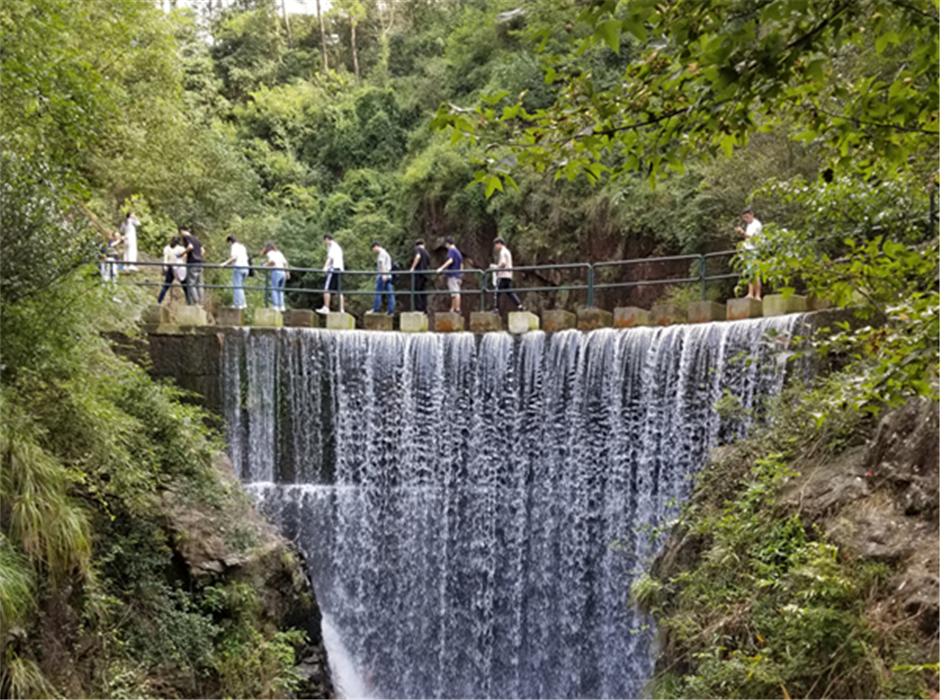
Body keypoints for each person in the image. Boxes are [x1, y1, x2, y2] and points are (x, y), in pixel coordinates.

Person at [735, 206, 763, 300]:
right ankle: (750, 293)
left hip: (755, 250)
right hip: (748, 250)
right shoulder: (749, 225)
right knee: (750, 272)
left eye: (747, 217)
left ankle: (757, 295)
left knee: (755, 273)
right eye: (744, 218)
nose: (746, 220)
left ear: (752, 214)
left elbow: (753, 238)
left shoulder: (757, 224)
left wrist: (742, 233)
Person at [491, 237, 523, 312]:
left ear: (499, 244)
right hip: (508, 275)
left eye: (496, 245)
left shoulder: (503, 252)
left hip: (503, 275)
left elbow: (503, 263)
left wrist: (496, 267)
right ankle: (519, 305)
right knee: (510, 292)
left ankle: (496, 308)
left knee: (497, 291)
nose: (495, 247)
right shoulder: (507, 251)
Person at [157, 235, 190, 305]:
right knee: (185, 287)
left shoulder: (167, 248)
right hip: (178, 269)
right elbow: (185, 257)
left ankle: (159, 301)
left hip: (170, 268)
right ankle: (189, 303)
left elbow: (165, 257)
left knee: (166, 286)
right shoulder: (181, 249)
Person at [219, 235, 249, 309]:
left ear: (230, 242)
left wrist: (224, 263)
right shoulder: (242, 247)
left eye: (228, 243)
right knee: (240, 286)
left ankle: (238, 304)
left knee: (237, 286)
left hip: (239, 268)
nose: (229, 245)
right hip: (246, 268)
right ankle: (243, 303)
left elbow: (234, 257)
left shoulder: (234, 246)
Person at [317, 234, 344, 314]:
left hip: (333, 269)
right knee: (337, 291)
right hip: (339, 269)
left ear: (327, 239)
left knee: (327, 288)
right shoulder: (337, 246)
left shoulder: (332, 245)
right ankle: (341, 309)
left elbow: (330, 257)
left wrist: (325, 267)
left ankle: (326, 307)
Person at [179, 226, 206, 305]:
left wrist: (182, 254)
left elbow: (190, 247)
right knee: (199, 283)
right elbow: (203, 250)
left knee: (191, 283)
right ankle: (201, 301)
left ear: (181, 231)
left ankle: (196, 301)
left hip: (192, 263)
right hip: (200, 263)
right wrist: (199, 257)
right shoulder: (196, 239)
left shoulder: (186, 237)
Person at [436, 237, 464, 313]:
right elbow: (461, 265)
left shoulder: (451, 250)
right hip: (458, 275)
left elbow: (450, 260)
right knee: (454, 293)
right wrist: (460, 274)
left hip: (453, 275)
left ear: (448, 244)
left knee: (455, 292)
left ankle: (457, 309)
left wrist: (441, 268)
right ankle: (453, 309)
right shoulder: (458, 252)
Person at [261, 242, 289, 312]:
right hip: (283, 272)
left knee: (274, 289)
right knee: (280, 290)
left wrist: (265, 265)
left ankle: (275, 306)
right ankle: (281, 306)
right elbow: (285, 263)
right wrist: (287, 272)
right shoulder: (279, 253)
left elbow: (273, 262)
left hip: (276, 271)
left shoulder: (270, 253)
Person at [369, 241, 395, 315]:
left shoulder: (381, 253)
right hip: (389, 275)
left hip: (383, 275)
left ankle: (376, 309)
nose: (373, 251)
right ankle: (391, 311)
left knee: (378, 292)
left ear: (376, 247)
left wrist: (383, 274)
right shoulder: (386, 253)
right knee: (390, 294)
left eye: (373, 249)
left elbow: (382, 263)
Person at [409, 239, 430, 313]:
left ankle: (419, 308)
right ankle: (424, 309)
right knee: (423, 291)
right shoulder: (427, 253)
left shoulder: (417, 249)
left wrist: (412, 267)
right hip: (425, 274)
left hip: (418, 273)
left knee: (416, 290)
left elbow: (418, 256)